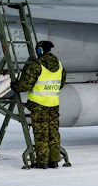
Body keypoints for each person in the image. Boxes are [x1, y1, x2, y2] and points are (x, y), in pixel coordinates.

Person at [14, 41, 66, 169]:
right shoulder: (59, 65)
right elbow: (61, 83)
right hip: (53, 105)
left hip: (38, 106)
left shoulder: (37, 65)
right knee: (53, 134)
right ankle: (54, 161)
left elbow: (25, 85)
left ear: (40, 51)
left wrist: (15, 86)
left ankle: (42, 162)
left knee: (41, 134)